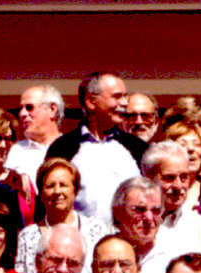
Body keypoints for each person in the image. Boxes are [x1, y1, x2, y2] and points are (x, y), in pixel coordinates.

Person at [45, 72, 146, 220]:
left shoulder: (137, 148)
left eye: (125, 96)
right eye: (117, 96)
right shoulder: (63, 148)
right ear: (91, 102)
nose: (125, 103)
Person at [15, 157, 107, 273]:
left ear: (75, 191)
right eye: (50, 186)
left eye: (63, 185)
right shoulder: (27, 237)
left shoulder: (97, 230)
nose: (57, 191)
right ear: (41, 194)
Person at [5, 86, 66, 186]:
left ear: (52, 109)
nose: (22, 114)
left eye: (29, 107)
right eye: (21, 109)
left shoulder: (73, 147)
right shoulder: (16, 151)